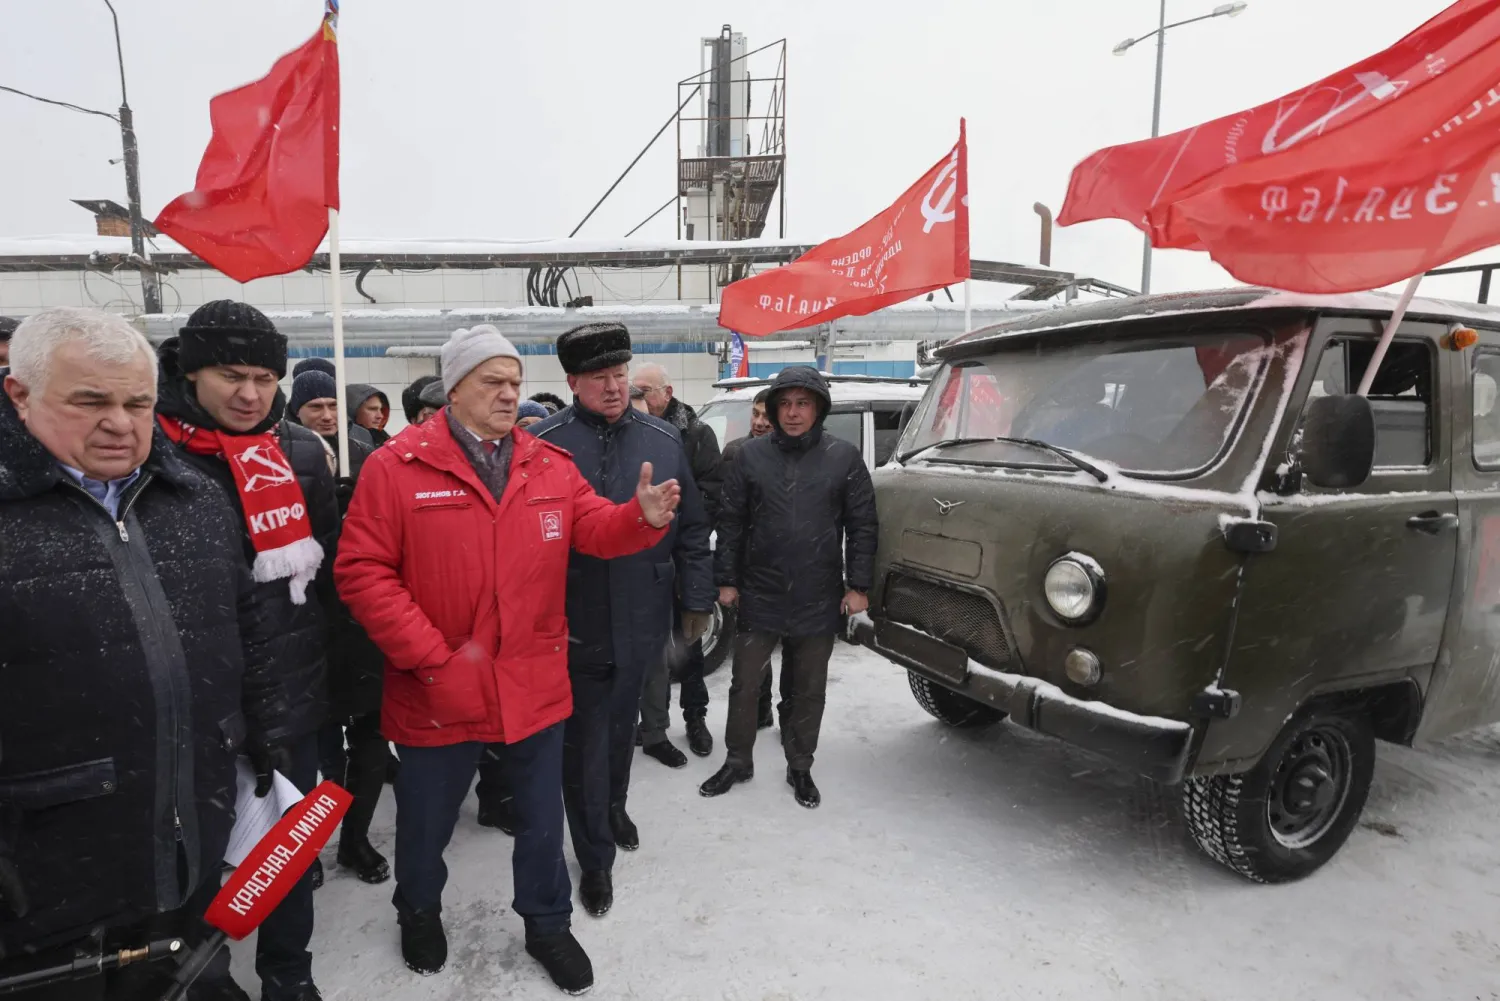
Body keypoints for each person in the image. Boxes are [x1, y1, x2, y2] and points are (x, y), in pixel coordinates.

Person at [333, 324, 682, 995]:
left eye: (514, 382)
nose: (507, 393)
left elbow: (593, 529)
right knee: (426, 821)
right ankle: (419, 907)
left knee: (541, 818)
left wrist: (638, 518)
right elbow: (362, 572)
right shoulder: (396, 467)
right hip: (438, 684)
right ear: (454, 388)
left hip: (532, 678)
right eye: (492, 381)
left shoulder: (546, 464)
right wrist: (430, 655)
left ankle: (548, 921)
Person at [0, 307, 287, 1000]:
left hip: (192, 839)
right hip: (46, 888)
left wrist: (258, 737)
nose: (122, 423)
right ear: (19, 394)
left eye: (139, 402)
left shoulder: (193, 498)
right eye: (90, 401)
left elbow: (244, 625)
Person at [155, 300, 336, 1001]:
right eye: (232, 374)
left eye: (264, 376)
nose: (250, 393)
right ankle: (204, 979)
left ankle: (289, 973)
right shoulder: (150, 449)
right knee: (193, 866)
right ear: (191, 370)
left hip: (290, 696)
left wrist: (336, 692)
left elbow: (326, 571)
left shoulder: (294, 452)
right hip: (192, 706)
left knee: (285, 855)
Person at [528, 324, 713, 914]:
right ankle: (596, 857)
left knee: (622, 725)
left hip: (643, 610)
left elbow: (692, 533)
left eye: (619, 376)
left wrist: (696, 600)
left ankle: (612, 806)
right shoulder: (543, 444)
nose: (612, 388)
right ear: (572, 382)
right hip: (573, 614)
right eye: (598, 378)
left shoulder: (663, 438)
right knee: (584, 739)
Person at [700, 367, 878, 809]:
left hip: (818, 591)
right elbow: (732, 522)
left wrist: (858, 585)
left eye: (802, 403)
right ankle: (738, 759)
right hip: (761, 589)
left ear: (818, 408)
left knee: (807, 687)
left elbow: (862, 526)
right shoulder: (750, 456)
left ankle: (800, 764)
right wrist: (726, 579)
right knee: (744, 683)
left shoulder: (844, 457)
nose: (793, 413)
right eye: (785, 404)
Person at [286, 370, 392, 886]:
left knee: (371, 747)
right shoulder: (277, 460)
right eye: (314, 408)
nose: (326, 416)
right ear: (296, 412)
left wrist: (357, 507)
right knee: (318, 758)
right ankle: (304, 846)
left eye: (332, 405)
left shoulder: (364, 453)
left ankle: (355, 840)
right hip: (308, 628)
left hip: (363, 628)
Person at [630, 362, 722, 758]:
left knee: (688, 647)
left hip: (682, 556)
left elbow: (712, 495)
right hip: (644, 561)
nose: (641, 396)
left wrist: (673, 519)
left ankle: (696, 719)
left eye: (646, 389)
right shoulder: (632, 434)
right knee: (650, 649)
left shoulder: (696, 434)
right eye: (638, 389)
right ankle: (653, 726)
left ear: (666, 394)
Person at [719, 388, 785, 730]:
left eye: (766, 416)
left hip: (791, 566)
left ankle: (783, 713)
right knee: (754, 646)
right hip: (751, 566)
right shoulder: (737, 453)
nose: (760, 422)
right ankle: (760, 709)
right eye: (755, 414)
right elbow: (728, 514)